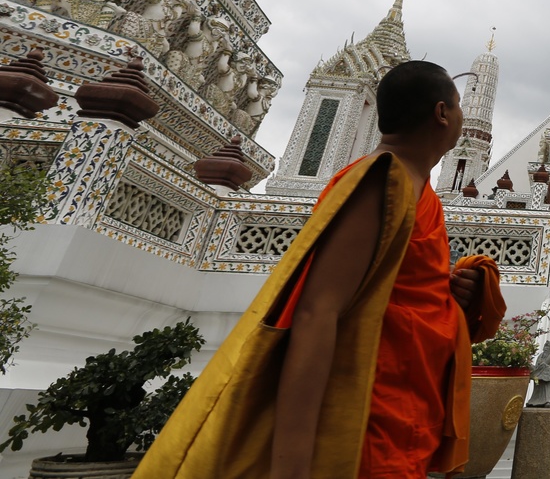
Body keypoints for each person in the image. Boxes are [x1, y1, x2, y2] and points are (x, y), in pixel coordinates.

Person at [137, 60, 506, 479]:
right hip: (360, 410)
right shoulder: (380, 180)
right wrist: (291, 463)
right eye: (458, 106)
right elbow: (317, 311)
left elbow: (396, 291)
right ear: (442, 113)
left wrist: (451, 289)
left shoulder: (420, 194)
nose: (462, 116)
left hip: (406, 409)